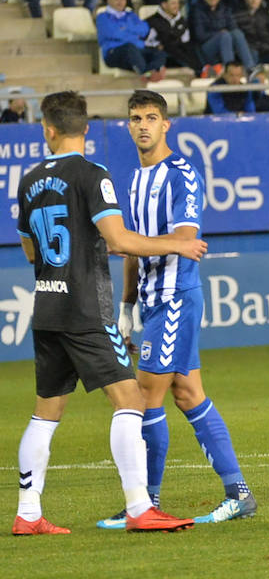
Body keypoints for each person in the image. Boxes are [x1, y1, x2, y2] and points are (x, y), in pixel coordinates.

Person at [13, 90, 204, 535]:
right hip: (85, 308)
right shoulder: (93, 174)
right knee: (131, 400)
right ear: (85, 127)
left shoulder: (28, 180)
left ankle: (27, 514)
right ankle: (139, 507)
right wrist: (177, 242)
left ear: (49, 129)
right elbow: (118, 241)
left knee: (45, 413)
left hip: (47, 305)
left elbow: (28, 249)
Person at [95, 89, 257, 530]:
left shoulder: (182, 174)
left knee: (146, 395)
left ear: (166, 124)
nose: (143, 124)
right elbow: (132, 246)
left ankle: (146, 503)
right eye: (135, 118)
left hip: (176, 299)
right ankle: (238, 493)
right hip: (150, 301)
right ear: (127, 126)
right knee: (187, 394)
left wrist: (141, 246)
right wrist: (127, 305)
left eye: (151, 117)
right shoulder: (133, 179)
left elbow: (186, 241)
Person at [96, 0, 167, 79]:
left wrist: (125, 29)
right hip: (113, 53)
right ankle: (146, 74)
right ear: (108, 0)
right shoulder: (103, 17)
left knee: (159, 52)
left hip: (137, 51)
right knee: (130, 47)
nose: (120, 2)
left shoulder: (131, 15)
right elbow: (114, 33)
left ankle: (151, 72)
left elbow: (145, 29)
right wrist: (134, 33)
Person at [191, 0, 257, 72]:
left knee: (237, 33)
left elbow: (233, 27)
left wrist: (224, 33)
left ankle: (250, 68)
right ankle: (229, 70)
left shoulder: (224, 8)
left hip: (227, 44)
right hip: (206, 50)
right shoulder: (196, 10)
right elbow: (200, 36)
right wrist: (218, 34)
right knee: (224, 36)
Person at [146, 0, 203, 76]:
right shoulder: (153, 21)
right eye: (173, 3)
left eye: (177, 3)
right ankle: (199, 71)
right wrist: (157, 45)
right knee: (170, 46)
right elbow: (147, 42)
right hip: (164, 56)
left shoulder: (182, 21)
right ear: (164, 5)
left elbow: (186, 41)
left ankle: (201, 69)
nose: (177, 6)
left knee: (193, 47)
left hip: (180, 54)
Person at [203, 61, 269, 113]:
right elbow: (219, 112)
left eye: (238, 75)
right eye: (231, 75)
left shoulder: (244, 89)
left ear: (241, 75)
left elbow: (250, 109)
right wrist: (237, 116)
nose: (235, 79)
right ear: (225, 75)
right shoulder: (214, 89)